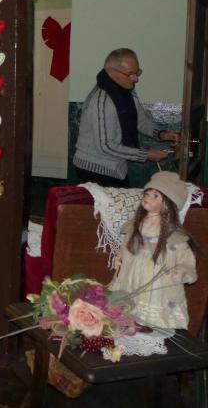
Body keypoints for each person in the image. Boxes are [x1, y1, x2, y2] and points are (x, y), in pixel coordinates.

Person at [73, 48, 179, 187]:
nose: (136, 79)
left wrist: (162, 134)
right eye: (130, 74)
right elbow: (106, 146)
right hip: (94, 169)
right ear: (111, 71)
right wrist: (147, 155)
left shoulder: (127, 90)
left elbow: (141, 120)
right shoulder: (102, 100)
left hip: (117, 167)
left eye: (137, 72)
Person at [109, 171, 197, 329]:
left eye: (155, 196)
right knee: (132, 292)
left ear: (168, 203)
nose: (147, 198)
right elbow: (127, 243)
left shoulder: (173, 234)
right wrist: (120, 257)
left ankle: (152, 322)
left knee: (153, 295)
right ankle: (131, 320)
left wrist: (183, 269)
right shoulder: (137, 224)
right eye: (147, 194)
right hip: (135, 268)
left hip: (158, 272)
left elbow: (186, 257)